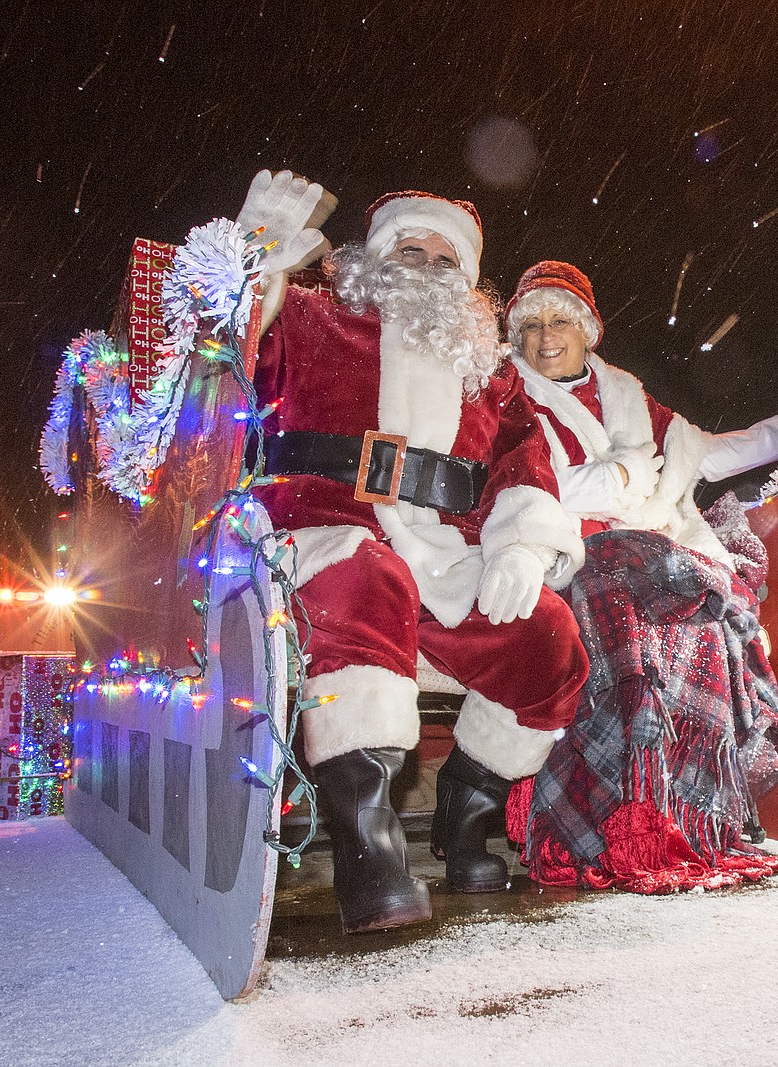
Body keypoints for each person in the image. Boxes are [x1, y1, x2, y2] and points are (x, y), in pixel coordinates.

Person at [234, 174, 589, 932]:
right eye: (409, 247)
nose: (426, 267)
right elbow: (217, 352)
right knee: (368, 583)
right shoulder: (309, 317)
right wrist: (254, 257)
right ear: (373, 253)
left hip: (442, 558)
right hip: (328, 529)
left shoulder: (487, 370)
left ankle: (466, 812)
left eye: (444, 258)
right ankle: (370, 853)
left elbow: (525, 462)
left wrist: (522, 546)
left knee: (548, 639)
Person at [502, 260, 778, 894]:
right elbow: (518, 484)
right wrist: (619, 479)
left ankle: (700, 814)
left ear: (589, 330)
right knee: (630, 624)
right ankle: (618, 822)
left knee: (705, 624)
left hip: (648, 553)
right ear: (515, 336)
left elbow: (700, 451)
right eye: (533, 323)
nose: (547, 335)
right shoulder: (503, 395)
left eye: (562, 320)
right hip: (561, 554)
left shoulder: (625, 394)